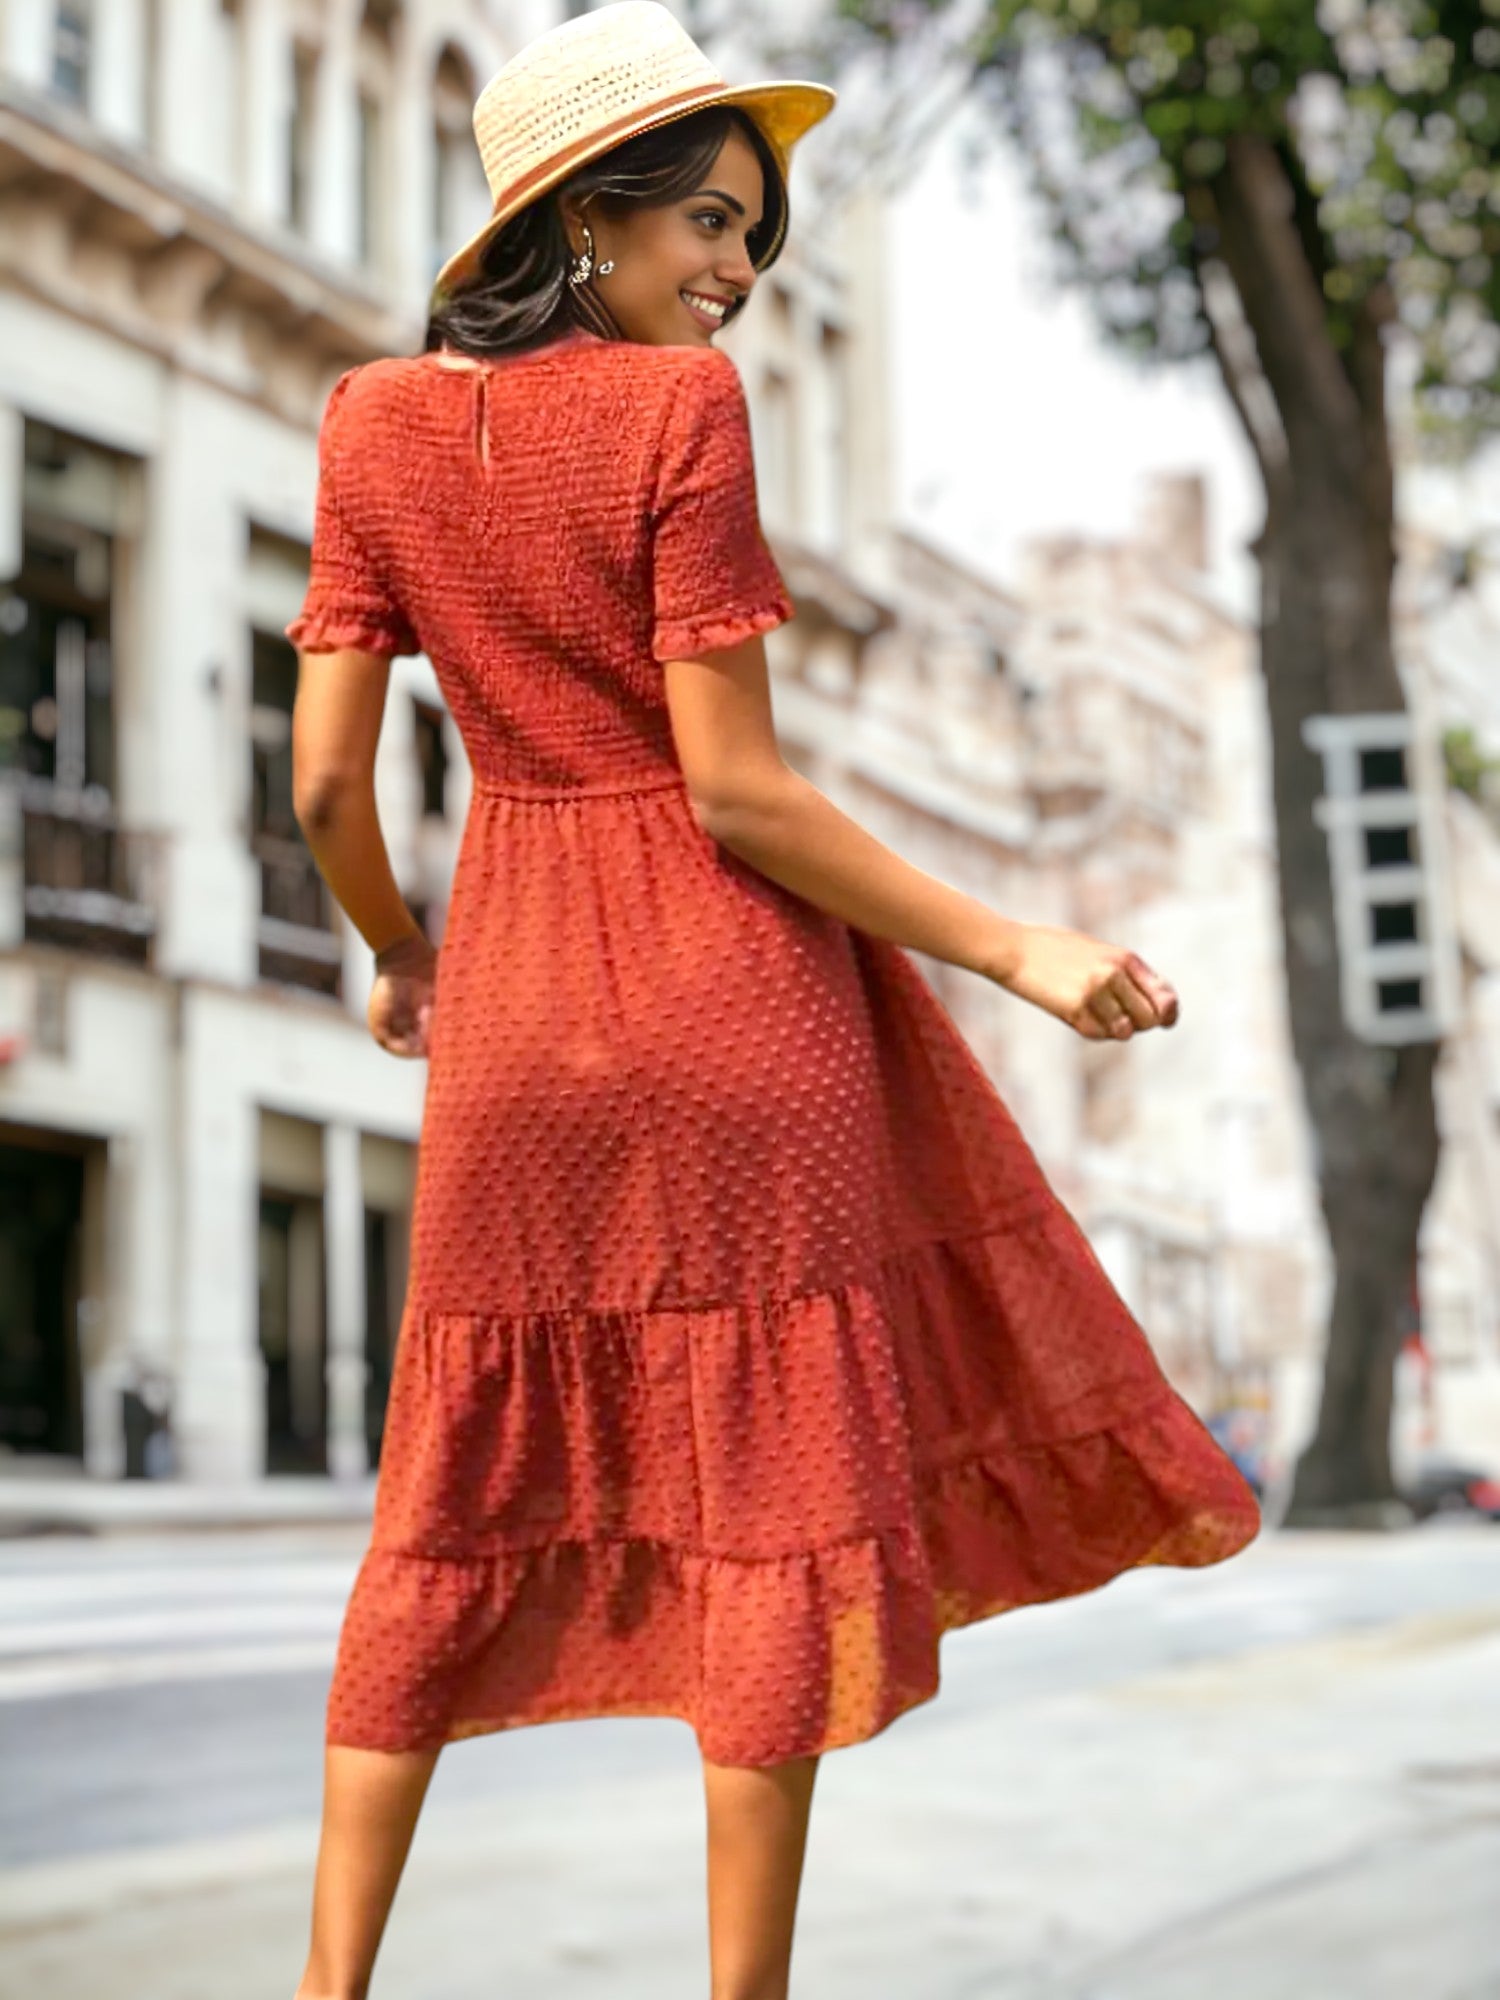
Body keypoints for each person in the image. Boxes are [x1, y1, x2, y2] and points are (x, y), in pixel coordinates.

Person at [284, 6, 1262, 1996]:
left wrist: (399, 946)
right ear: (586, 212)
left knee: (447, 1489)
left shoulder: (366, 423)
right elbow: (735, 790)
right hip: (736, 999)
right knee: (771, 1495)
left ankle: (328, 1979)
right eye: (712, 226)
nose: (737, 273)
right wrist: (1019, 946)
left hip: (518, 1002)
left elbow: (320, 785)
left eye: (755, 235)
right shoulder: (681, 413)